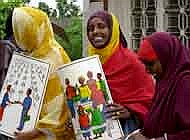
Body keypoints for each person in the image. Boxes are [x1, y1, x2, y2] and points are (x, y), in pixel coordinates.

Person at [87, 11, 155, 135]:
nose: (95, 31)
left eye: (101, 26)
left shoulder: (133, 62)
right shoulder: (88, 65)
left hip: (127, 131)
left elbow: (151, 101)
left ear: (113, 30)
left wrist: (131, 111)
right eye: (91, 29)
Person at [11, 7, 74, 140]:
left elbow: (58, 108)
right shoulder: (31, 55)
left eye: (22, 29)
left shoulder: (53, 58)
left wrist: (32, 133)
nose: (20, 34)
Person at [128, 31, 190, 140]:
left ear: (165, 56)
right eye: (144, 64)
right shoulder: (165, 80)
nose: (147, 70)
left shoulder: (185, 83)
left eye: (150, 64)